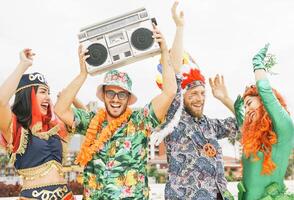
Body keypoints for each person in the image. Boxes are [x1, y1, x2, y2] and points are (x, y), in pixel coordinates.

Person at [54, 24, 177, 199]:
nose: (115, 99)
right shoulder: (91, 120)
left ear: (128, 98)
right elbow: (60, 109)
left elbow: (170, 92)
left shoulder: (140, 120)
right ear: (103, 96)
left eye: (121, 94)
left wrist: (164, 52)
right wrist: (83, 74)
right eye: (110, 93)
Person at [150, 2, 238, 200]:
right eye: (194, 94)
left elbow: (243, 123)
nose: (200, 99)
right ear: (182, 97)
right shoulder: (174, 118)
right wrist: (179, 28)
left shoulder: (210, 125)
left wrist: (224, 99)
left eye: (202, 93)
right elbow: (173, 70)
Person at [0, 49, 74, 199]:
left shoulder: (54, 129)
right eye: (42, 92)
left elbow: (89, 125)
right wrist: (23, 65)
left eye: (48, 93)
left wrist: (72, 99)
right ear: (29, 95)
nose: (48, 97)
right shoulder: (15, 129)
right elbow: (1, 102)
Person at [234, 44, 294, 200]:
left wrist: (257, 65)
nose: (247, 110)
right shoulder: (253, 138)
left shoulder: (284, 129)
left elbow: (265, 93)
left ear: (264, 103)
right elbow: (244, 121)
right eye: (245, 106)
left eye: (250, 104)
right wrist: (235, 106)